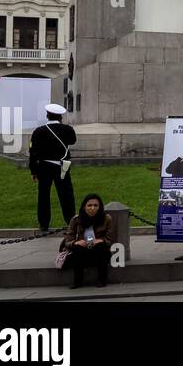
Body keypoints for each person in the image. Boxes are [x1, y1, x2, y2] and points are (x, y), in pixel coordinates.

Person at [29, 103, 77, 232]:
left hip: (44, 167)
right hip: (62, 167)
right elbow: (72, 141)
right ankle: (71, 222)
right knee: (66, 195)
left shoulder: (39, 131)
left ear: (47, 116)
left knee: (44, 195)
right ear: (60, 116)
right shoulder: (68, 130)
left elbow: (33, 152)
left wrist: (33, 170)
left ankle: (44, 224)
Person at [59, 193, 113, 289]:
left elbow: (110, 240)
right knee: (78, 249)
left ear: (100, 207)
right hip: (82, 252)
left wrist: (100, 241)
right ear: (84, 207)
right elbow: (67, 242)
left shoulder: (106, 219)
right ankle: (78, 282)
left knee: (101, 247)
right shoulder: (75, 220)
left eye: (95, 205)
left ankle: (102, 280)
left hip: (99, 252)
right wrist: (76, 242)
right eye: (89, 205)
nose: (92, 208)